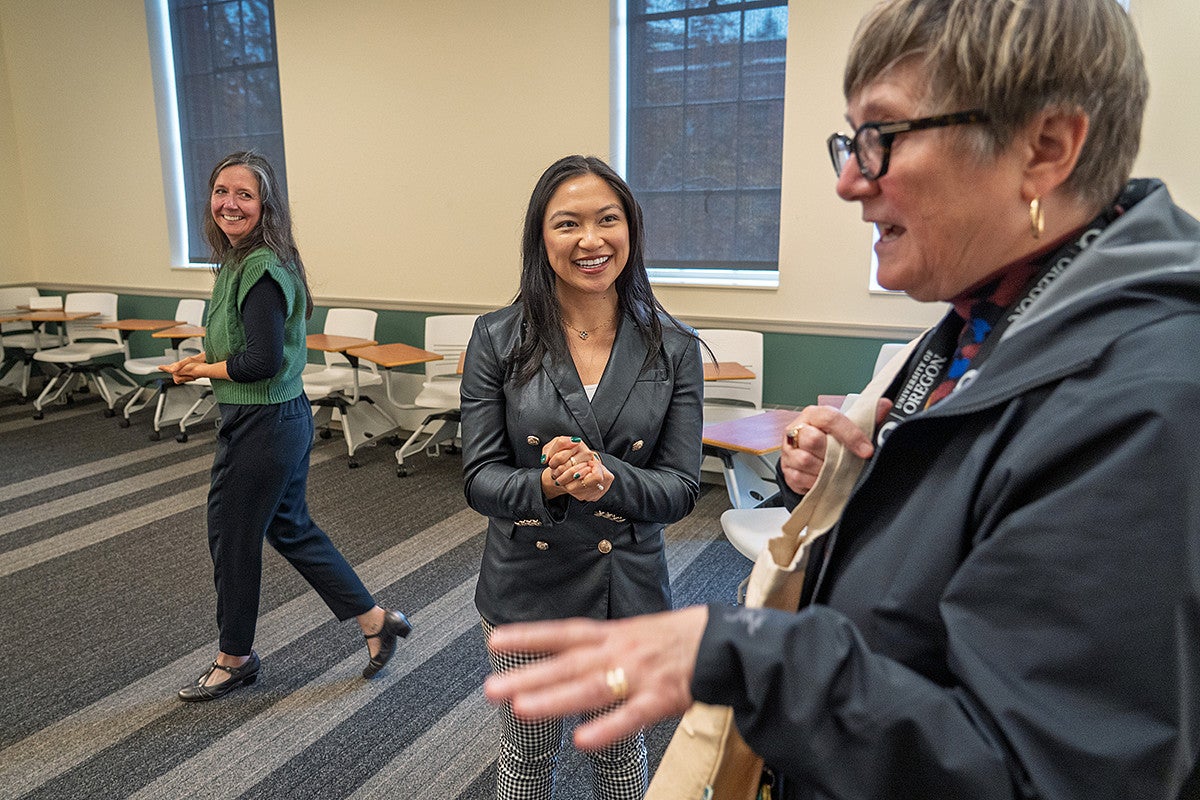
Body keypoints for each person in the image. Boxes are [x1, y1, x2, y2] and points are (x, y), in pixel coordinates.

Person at [482, 2, 1200, 798]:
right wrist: (870, 477)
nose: (848, 179)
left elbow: (1048, 768)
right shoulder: (992, 315)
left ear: (1047, 149)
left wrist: (748, 656)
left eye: (882, 138)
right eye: (850, 141)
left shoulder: (1149, 397)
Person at [460, 154, 705, 798]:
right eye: (568, 223)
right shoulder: (497, 337)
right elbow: (480, 477)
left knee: (620, 759)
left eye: (608, 220)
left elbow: (680, 488)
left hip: (622, 588)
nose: (591, 240)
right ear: (541, 239)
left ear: (632, 231)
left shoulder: (672, 347)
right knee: (526, 757)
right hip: (526, 590)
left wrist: (608, 480)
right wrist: (548, 485)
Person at [160, 152, 412, 702]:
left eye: (245, 195)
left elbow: (261, 362)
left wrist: (201, 369)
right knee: (289, 527)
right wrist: (203, 365)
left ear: (265, 205)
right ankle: (376, 620)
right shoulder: (236, 261)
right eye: (221, 190)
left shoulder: (262, 267)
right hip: (279, 417)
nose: (230, 202)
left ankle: (235, 658)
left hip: (264, 422)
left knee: (233, 538)